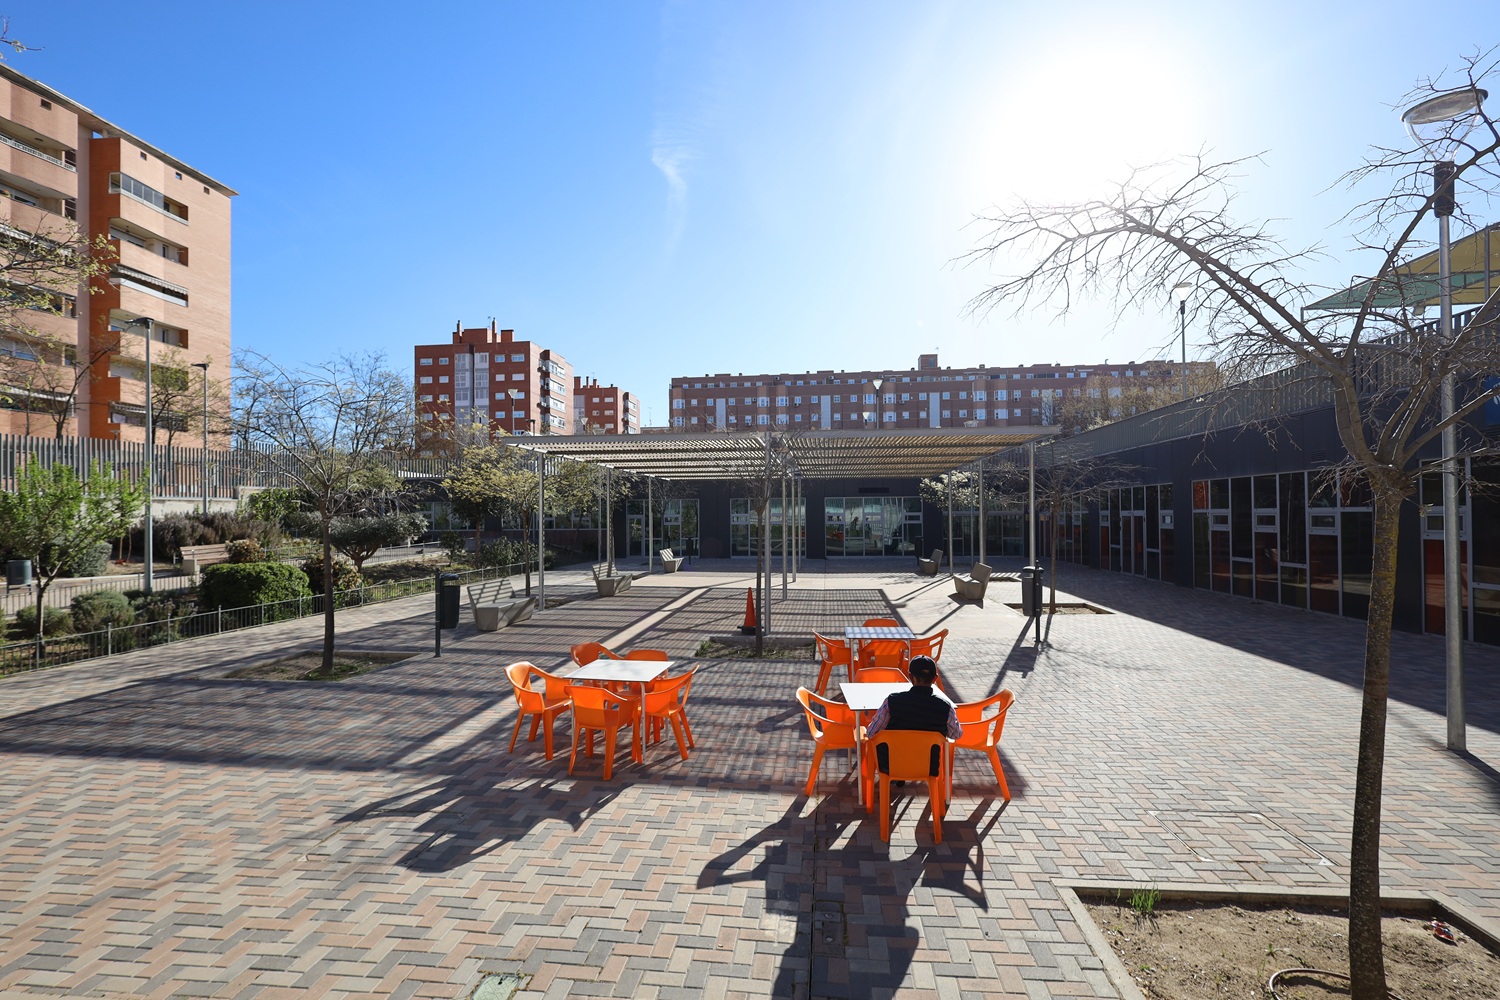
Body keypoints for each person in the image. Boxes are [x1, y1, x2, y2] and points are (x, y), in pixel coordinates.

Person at [865, 655, 961, 777]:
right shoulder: (946, 707)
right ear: (935, 679)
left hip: (891, 765)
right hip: (929, 767)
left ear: (910, 676)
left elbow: (871, 733)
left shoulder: (892, 701)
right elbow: (955, 734)